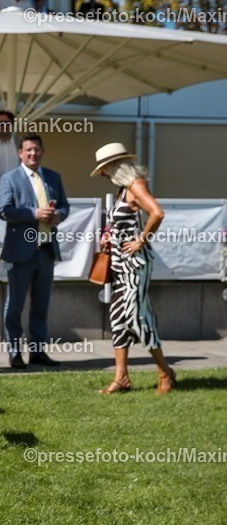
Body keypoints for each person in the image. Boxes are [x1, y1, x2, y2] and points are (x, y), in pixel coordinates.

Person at [90, 143, 176, 394]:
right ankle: (121, 378)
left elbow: (157, 213)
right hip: (120, 265)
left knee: (139, 318)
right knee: (117, 318)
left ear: (114, 166)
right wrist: (110, 237)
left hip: (135, 265)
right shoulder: (122, 190)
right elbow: (125, 222)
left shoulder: (135, 185)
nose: (104, 174)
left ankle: (165, 372)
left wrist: (141, 240)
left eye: (104, 169)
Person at [0, 133, 69, 368]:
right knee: (14, 306)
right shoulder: (10, 178)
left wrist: (58, 215)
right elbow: (4, 210)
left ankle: (38, 352)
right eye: (28, 150)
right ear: (20, 153)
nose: (33, 153)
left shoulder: (53, 177)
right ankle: (15, 352)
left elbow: (65, 206)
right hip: (21, 253)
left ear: (42, 151)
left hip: (46, 251)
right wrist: (33, 213)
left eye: (37, 149)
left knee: (41, 305)